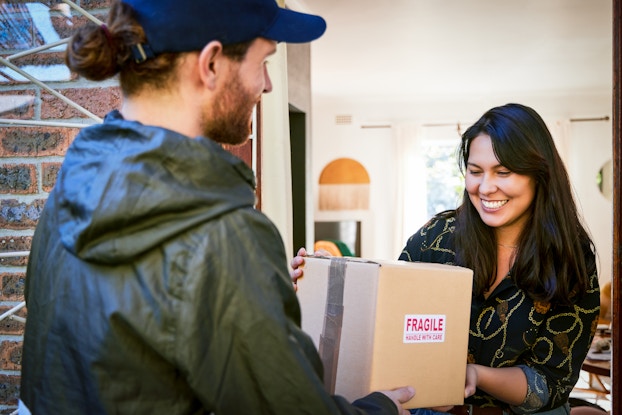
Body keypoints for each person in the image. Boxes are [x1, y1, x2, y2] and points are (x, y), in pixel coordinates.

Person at [19, 1, 415, 414]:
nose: (267, 84)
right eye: (263, 62)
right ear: (210, 64)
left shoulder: (73, 182)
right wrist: (381, 409)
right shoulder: (223, 233)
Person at [292, 103, 601, 415]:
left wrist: (473, 376)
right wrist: (322, 280)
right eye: (475, 171)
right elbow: (385, 312)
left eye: (503, 172)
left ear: (540, 175)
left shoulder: (570, 257)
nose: (485, 187)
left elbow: (549, 385)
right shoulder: (438, 236)